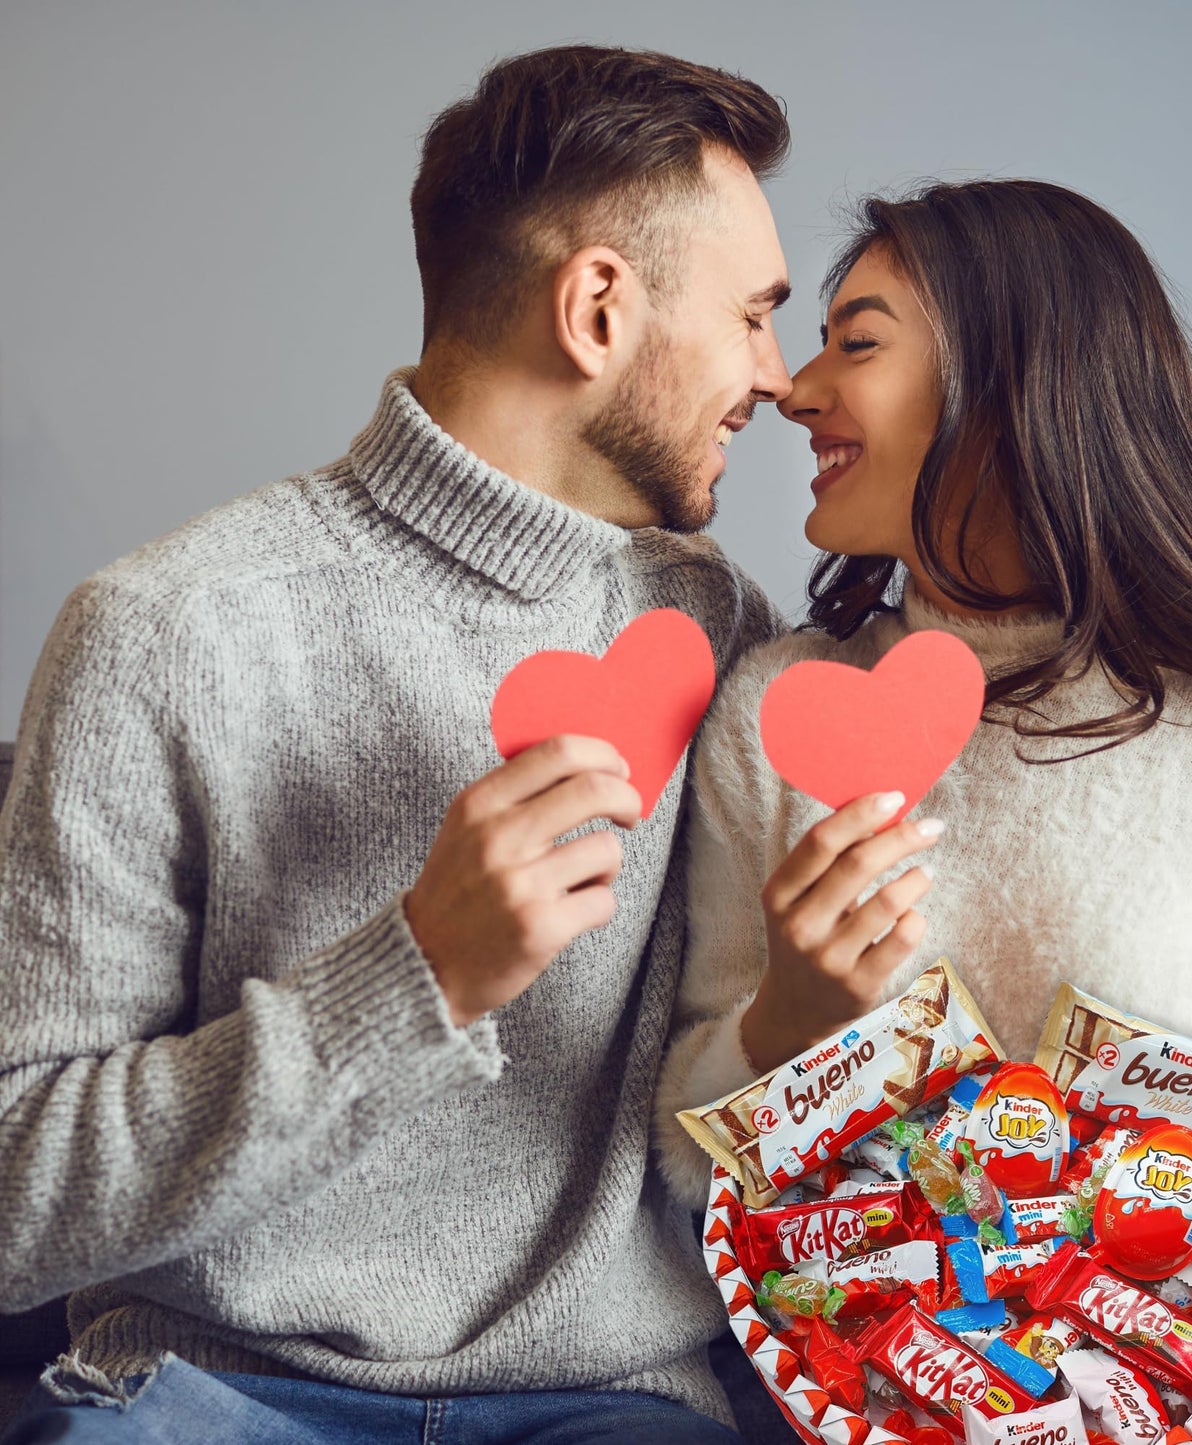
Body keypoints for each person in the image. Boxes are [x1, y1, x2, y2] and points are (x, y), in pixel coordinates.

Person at [0, 45, 797, 1445]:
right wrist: (410, 978)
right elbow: (13, 1190)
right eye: (751, 317)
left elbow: (985, 698)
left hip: (609, 1405)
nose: (776, 379)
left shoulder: (720, 629)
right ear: (598, 309)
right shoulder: (163, 630)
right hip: (210, 1394)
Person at [654, 179, 1192, 1430]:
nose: (795, 390)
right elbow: (686, 1175)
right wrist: (784, 1023)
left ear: (1020, 384)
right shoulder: (778, 713)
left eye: (853, 342)